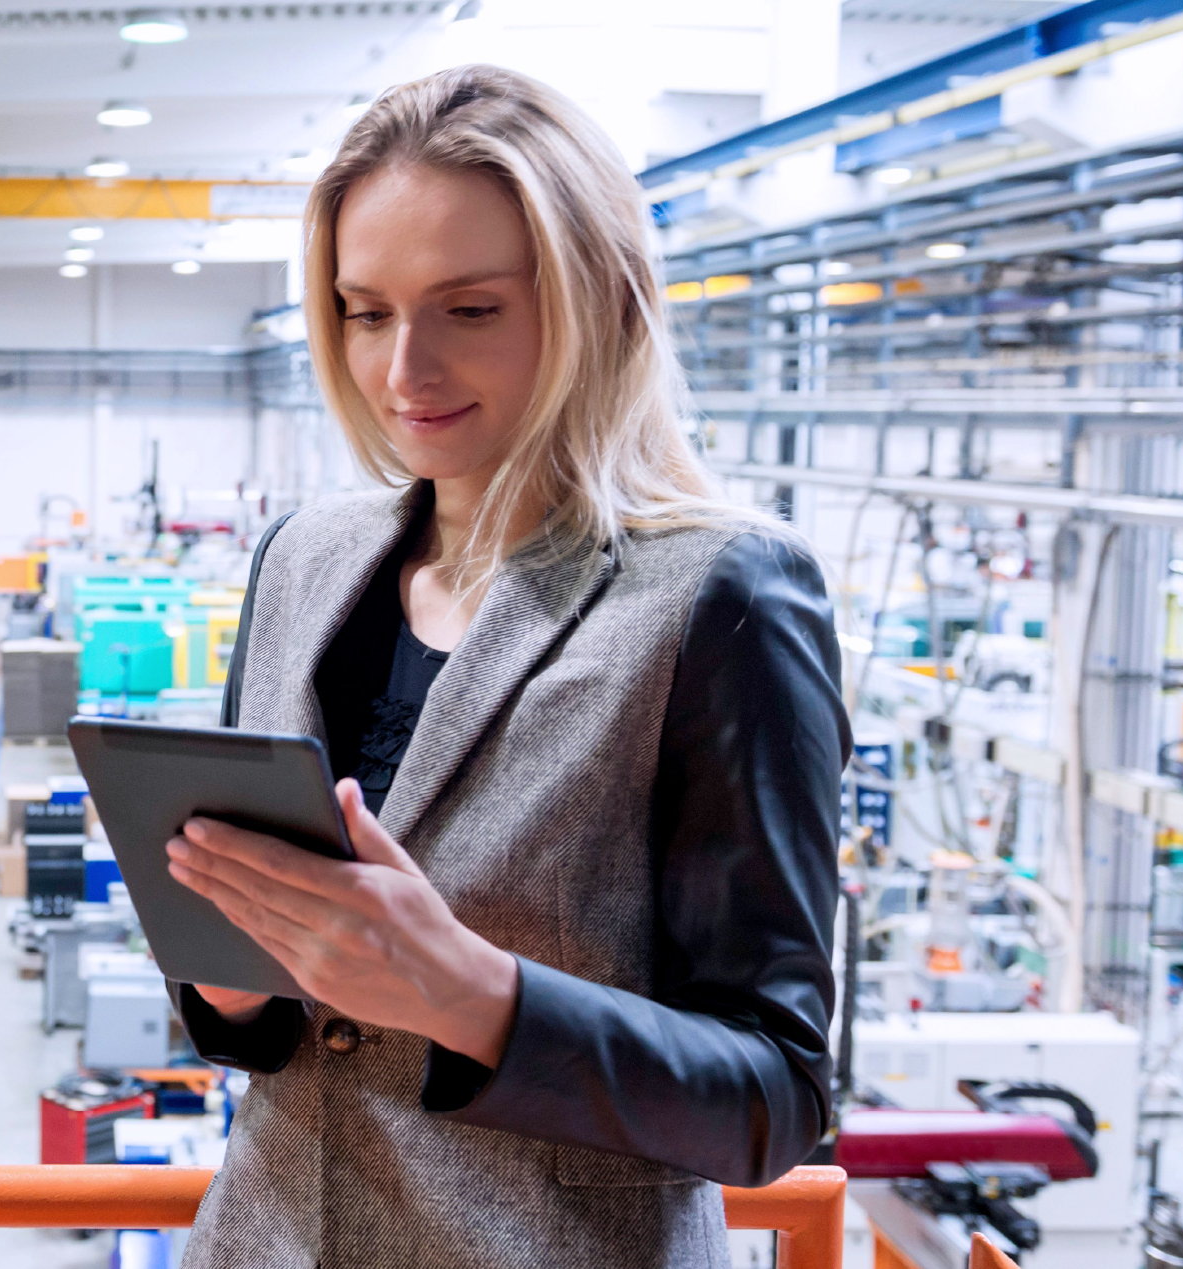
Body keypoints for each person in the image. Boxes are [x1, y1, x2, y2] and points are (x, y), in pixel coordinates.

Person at [162, 65, 851, 1268]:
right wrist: (234, 980)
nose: (401, 374)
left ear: (600, 301)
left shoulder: (716, 596)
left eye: (468, 310)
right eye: (367, 312)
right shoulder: (301, 560)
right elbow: (287, 1033)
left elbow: (770, 1099)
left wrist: (469, 995)